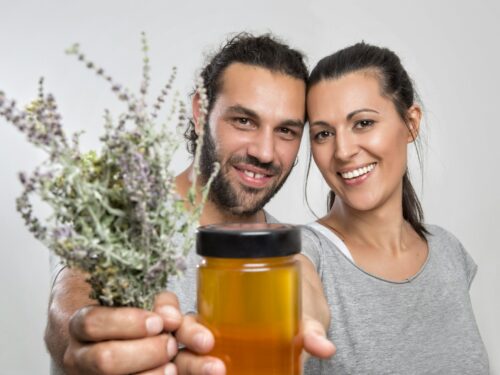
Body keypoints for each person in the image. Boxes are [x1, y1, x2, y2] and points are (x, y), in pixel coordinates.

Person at [45, 33, 335, 375]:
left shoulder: (289, 251)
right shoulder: (117, 215)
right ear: (201, 112)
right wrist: (88, 335)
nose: (265, 152)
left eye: (286, 131)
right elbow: (71, 298)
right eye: (244, 121)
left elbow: (306, 286)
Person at [302, 42, 489, 373]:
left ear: (411, 123)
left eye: (363, 123)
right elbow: (291, 277)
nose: (343, 151)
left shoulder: (449, 254)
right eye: (323, 133)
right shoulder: (305, 251)